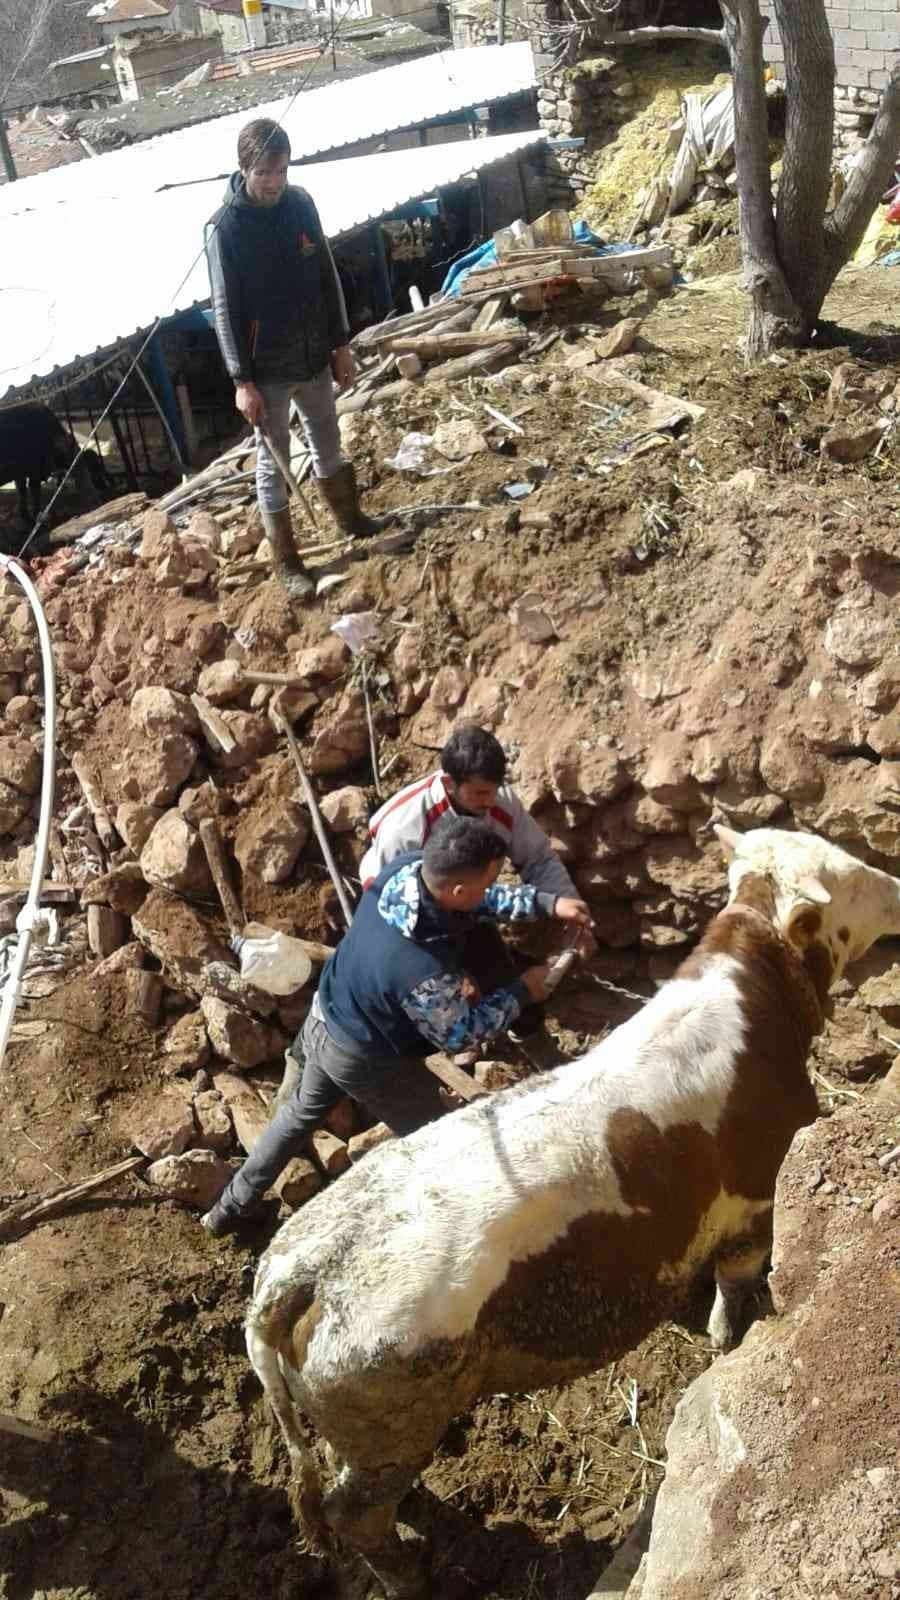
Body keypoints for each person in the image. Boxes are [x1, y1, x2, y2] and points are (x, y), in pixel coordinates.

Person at [201, 815, 591, 1238]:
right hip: (366, 1058)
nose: (489, 891)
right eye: (487, 882)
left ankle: (226, 1210)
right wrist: (522, 992)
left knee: (296, 1116)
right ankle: (460, 1230)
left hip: (327, 1013)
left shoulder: (405, 873)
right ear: (458, 890)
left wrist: (548, 904)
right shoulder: (419, 970)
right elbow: (461, 1035)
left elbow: (479, 899)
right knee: (442, 1140)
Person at [204, 117, 381, 602]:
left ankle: (351, 520)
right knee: (274, 462)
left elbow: (326, 273)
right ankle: (288, 562)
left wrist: (340, 344)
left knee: (329, 439)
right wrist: (242, 380)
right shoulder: (226, 229)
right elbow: (224, 310)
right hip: (267, 371)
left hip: (313, 357)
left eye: (281, 170)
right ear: (244, 169)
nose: (275, 182)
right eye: (265, 172)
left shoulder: (300, 205)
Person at [359, 724, 592, 1051]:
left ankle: (535, 1045)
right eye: (481, 793)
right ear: (450, 783)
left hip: (467, 905)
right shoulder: (406, 827)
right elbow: (388, 906)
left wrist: (564, 906)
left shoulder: (497, 802)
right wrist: (450, 972)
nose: (492, 801)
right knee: (437, 1009)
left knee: (501, 973)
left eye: (495, 789)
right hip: (409, 922)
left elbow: (537, 859)